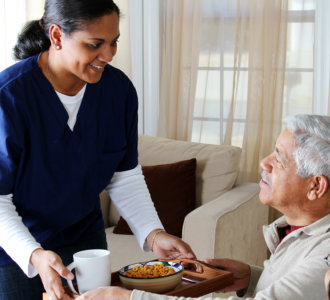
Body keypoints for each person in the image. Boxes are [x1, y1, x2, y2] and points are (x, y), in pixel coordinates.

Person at [0, 1, 195, 300]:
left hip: (85, 239)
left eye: (114, 42)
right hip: (16, 249)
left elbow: (123, 175)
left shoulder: (119, 92)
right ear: (56, 36)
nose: (108, 55)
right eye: (95, 44)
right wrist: (36, 255)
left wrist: (153, 234)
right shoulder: (9, 98)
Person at [74, 114, 330, 300]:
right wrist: (252, 278)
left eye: (279, 159)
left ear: (316, 186)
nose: (264, 162)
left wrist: (129, 299)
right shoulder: (297, 230)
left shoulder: (325, 258)